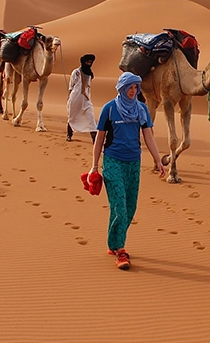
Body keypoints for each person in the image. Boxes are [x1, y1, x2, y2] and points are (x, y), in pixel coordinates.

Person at [88, 72, 166, 270]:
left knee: (129, 207)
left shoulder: (141, 110)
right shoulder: (109, 109)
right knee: (120, 206)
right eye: (129, 87)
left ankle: (113, 242)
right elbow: (99, 139)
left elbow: (148, 136)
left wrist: (158, 161)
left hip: (133, 163)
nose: (132, 91)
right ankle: (120, 251)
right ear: (122, 88)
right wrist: (94, 166)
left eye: (135, 88)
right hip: (113, 161)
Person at [67, 54, 97, 143]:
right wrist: (69, 98)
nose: (89, 64)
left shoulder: (90, 74)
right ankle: (69, 135)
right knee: (72, 116)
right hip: (75, 98)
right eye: (87, 62)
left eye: (90, 62)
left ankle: (95, 139)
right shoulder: (76, 72)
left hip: (86, 99)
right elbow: (71, 86)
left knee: (90, 117)